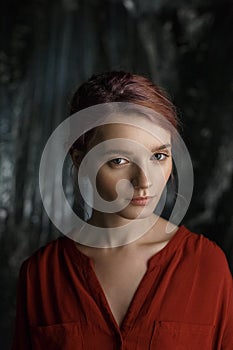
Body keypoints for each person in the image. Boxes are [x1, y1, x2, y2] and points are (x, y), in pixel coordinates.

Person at [12, 71, 233, 349]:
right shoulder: (41, 275)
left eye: (159, 156)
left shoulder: (207, 265)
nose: (145, 181)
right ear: (80, 161)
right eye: (119, 160)